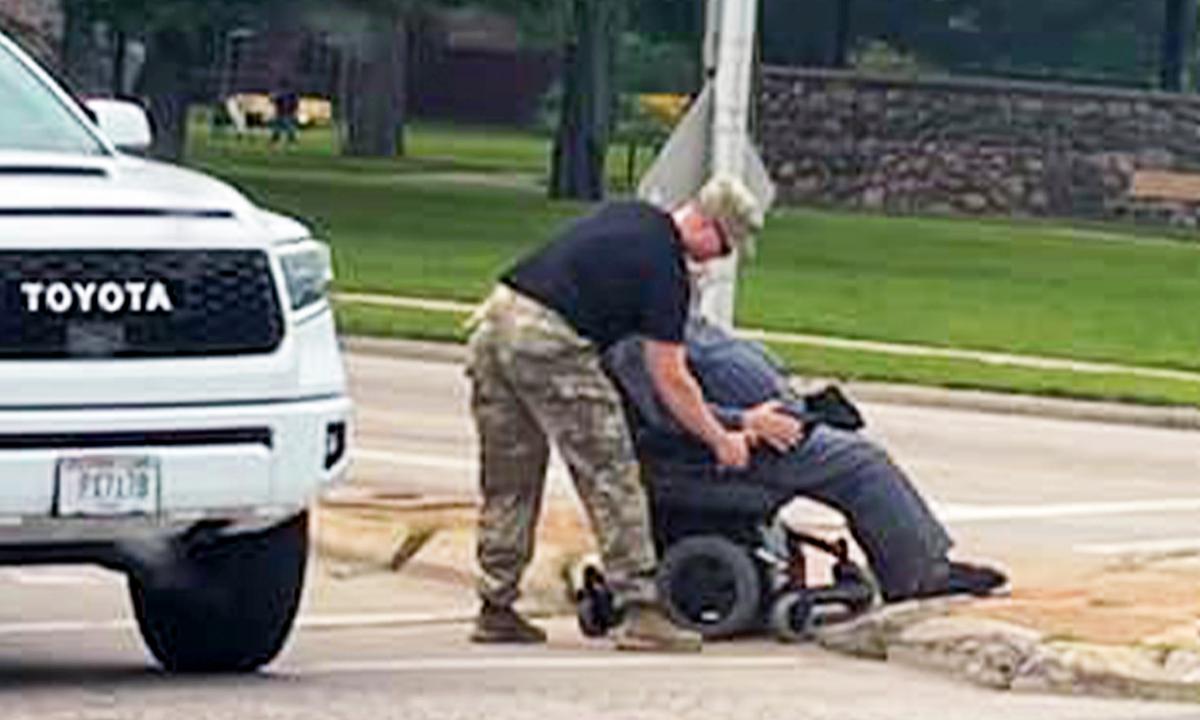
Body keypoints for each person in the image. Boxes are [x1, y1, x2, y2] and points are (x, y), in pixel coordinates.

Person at [466, 174, 764, 651]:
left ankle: (495, 605)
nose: (720, 259)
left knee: (510, 476)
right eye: (724, 247)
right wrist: (719, 437)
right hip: (550, 341)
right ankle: (641, 609)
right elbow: (671, 376)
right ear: (708, 226)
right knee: (612, 473)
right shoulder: (665, 267)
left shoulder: (631, 214)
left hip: (496, 320)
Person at [603, 316, 1009, 603]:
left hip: (768, 430)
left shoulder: (668, 317)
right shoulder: (633, 340)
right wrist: (742, 422)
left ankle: (917, 562)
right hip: (718, 452)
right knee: (861, 464)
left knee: (851, 448)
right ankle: (917, 575)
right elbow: (667, 413)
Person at [270, 80, 299, 145]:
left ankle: (292, 144)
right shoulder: (279, 93)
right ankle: (274, 144)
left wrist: (294, 110)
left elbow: (295, 103)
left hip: (287, 113)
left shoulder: (291, 94)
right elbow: (273, 100)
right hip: (281, 113)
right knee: (278, 130)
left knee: (289, 130)